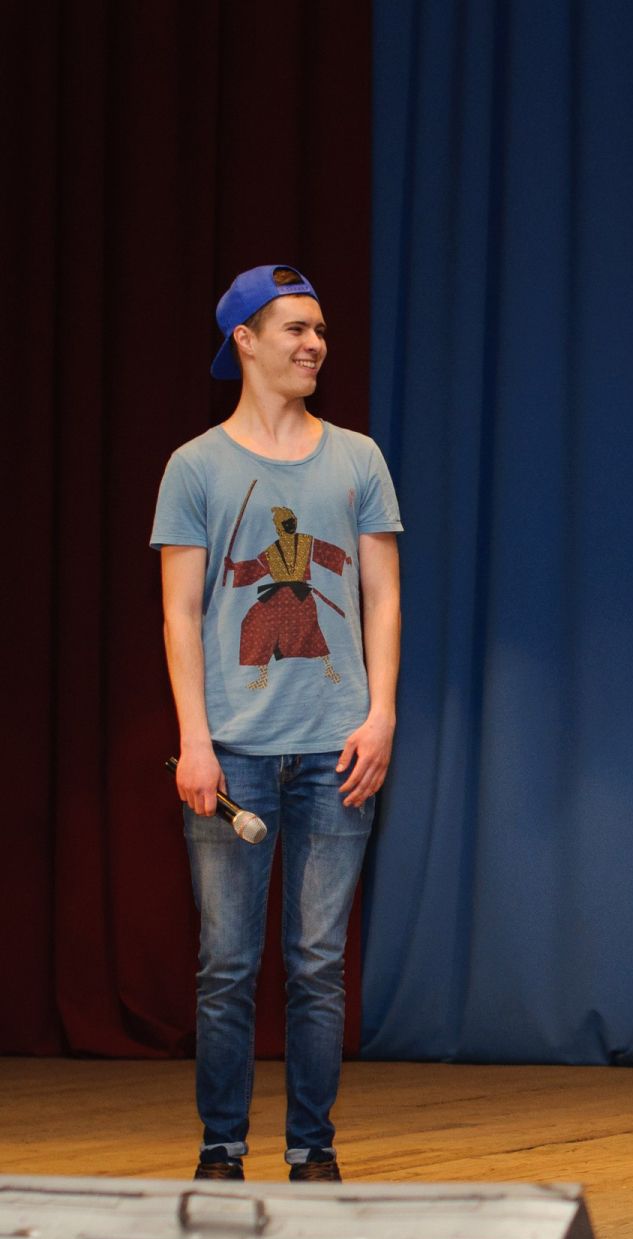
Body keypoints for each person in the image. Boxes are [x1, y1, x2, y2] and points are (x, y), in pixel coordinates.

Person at [152, 265, 403, 1182]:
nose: (314, 344)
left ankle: (313, 1150)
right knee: (226, 964)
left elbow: (381, 595)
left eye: (321, 330)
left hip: (337, 747)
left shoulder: (358, 458)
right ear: (245, 341)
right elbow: (180, 612)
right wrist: (196, 740)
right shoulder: (196, 467)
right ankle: (222, 1148)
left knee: (317, 965)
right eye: (295, 328)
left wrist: (380, 714)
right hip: (235, 752)